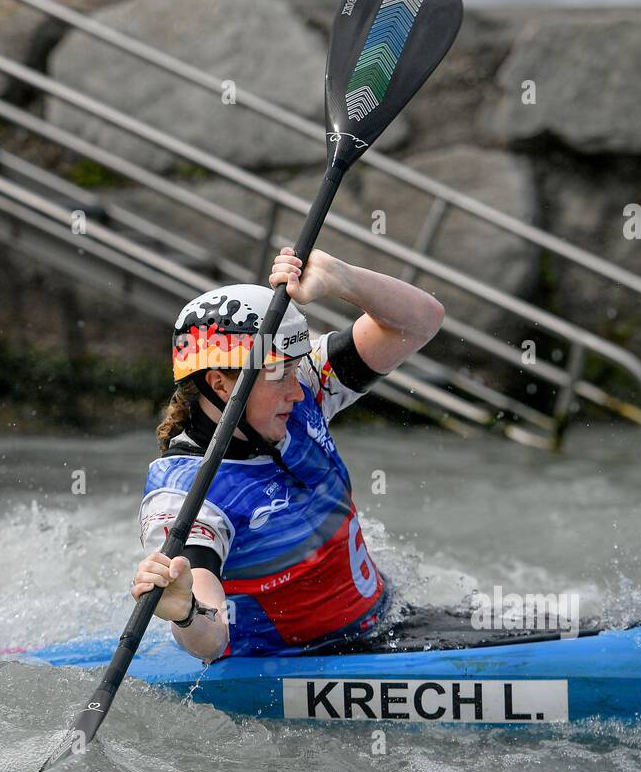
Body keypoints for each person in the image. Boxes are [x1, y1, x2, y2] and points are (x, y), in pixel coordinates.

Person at [131, 245, 445, 662]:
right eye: (280, 376)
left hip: (384, 624)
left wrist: (342, 280)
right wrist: (185, 613)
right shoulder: (185, 499)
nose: (298, 391)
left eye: (296, 370)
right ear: (222, 385)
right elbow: (213, 637)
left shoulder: (304, 390)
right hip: (300, 665)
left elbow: (421, 322)